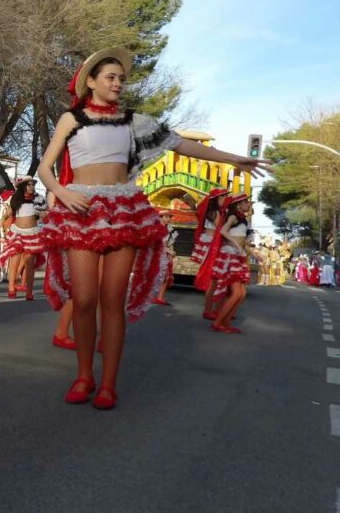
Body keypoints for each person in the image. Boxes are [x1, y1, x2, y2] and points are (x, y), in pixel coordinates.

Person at [37, 47, 270, 410]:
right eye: (110, 77)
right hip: (81, 209)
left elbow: (182, 145)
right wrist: (62, 193)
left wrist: (235, 158)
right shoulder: (72, 119)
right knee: (84, 300)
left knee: (112, 301)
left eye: (121, 78)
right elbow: (45, 169)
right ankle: (84, 375)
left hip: (124, 208)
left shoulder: (134, 121)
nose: (117, 83)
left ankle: (109, 384)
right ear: (92, 82)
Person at [197, 194, 253, 333]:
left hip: (236, 255)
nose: (249, 204)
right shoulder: (233, 216)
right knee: (236, 293)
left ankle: (225, 322)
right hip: (230, 255)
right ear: (238, 204)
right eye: (246, 202)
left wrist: (249, 251)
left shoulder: (241, 217)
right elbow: (223, 231)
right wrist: (236, 245)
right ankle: (218, 323)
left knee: (241, 293)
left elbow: (239, 238)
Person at [0, 176, 46, 301]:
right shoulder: (16, 198)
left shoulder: (39, 198)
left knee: (30, 264)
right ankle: (11, 288)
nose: (32, 187)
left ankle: (29, 292)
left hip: (32, 233)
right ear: (22, 186)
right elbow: (10, 211)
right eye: (29, 185)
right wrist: (2, 220)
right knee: (14, 261)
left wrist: (43, 214)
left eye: (33, 184)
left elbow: (46, 214)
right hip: (17, 232)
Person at [191, 188, 230, 320]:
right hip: (212, 247)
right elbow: (219, 231)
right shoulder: (216, 212)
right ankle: (210, 310)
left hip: (211, 245)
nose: (226, 199)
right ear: (217, 198)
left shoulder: (213, 211)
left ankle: (216, 310)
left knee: (215, 280)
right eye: (224, 196)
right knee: (214, 280)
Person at [153, 210, 177, 305]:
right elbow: (159, 244)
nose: (168, 219)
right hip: (158, 254)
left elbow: (170, 242)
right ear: (160, 217)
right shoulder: (157, 228)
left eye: (169, 217)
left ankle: (160, 297)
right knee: (159, 276)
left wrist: (171, 253)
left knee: (166, 276)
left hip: (165, 254)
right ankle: (155, 297)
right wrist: (169, 251)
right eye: (166, 217)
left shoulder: (169, 228)